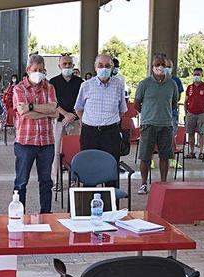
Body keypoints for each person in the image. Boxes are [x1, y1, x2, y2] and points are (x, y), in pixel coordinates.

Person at [12, 54, 58, 213]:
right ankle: (19, 214)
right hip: (25, 142)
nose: (38, 72)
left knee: (46, 181)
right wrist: (45, 110)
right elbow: (23, 113)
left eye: (41, 70)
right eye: (35, 70)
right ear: (28, 70)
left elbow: (54, 110)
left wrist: (31, 107)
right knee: (21, 182)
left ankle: (46, 214)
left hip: (46, 142)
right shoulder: (19, 88)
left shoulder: (50, 87)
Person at [74, 54, 127, 187]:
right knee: (89, 171)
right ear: (95, 67)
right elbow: (78, 108)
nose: (104, 69)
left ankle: (110, 205)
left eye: (107, 66)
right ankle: (88, 204)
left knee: (111, 170)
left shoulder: (119, 85)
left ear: (112, 68)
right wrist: (85, 121)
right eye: (100, 66)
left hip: (111, 133)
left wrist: (109, 121)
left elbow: (122, 110)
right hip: (90, 133)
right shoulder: (86, 85)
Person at [134, 54, 179, 193]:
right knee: (145, 156)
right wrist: (148, 113)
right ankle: (143, 183)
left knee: (165, 156)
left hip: (166, 124)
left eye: (163, 65)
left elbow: (174, 102)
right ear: (152, 67)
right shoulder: (144, 83)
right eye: (157, 65)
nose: (160, 67)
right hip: (148, 125)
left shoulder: (172, 84)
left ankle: (163, 183)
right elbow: (137, 103)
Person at [49, 54, 83, 186]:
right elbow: (52, 102)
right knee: (57, 152)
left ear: (73, 65)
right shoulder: (53, 82)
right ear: (59, 66)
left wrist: (73, 115)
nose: (67, 66)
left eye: (70, 64)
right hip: (59, 121)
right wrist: (65, 114)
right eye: (65, 64)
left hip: (75, 122)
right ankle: (56, 182)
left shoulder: (80, 82)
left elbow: (82, 102)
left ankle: (75, 179)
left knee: (75, 151)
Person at [184, 67, 204, 160]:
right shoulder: (190, 87)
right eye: (195, 74)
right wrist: (186, 112)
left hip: (202, 113)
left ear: (202, 75)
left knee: (201, 132)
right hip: (191, 113)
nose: (196, 76)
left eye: (198, 74)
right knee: (190, 133)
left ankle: (201, 152)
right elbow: (186, 100)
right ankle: (192, 152)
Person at [165, 58, 184, 131]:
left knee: (172, 134)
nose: (167, 69)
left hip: (172, 112)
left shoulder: (176, 81)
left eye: (169, 67)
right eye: (166, 67)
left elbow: (178, 98)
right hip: (158, 114)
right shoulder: (156, 80)